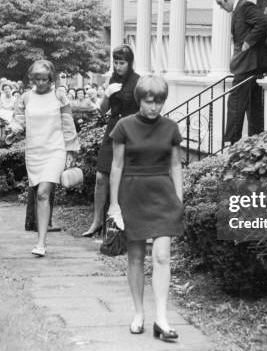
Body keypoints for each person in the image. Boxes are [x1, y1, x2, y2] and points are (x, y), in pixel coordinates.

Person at [108, 74, 183, 340]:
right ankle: (139, 313)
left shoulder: (171, 128)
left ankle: (161, 318)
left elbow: (175, 165)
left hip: (163, 195)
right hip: (132, 194)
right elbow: (116, 166)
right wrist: (114, 204)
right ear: (139, 99)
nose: (154, 107)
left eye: (159, 102)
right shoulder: (123, 126)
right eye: (149, 101)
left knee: (162, 256)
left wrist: (179, 199)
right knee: (136, 257)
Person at [9, 60, 79, 257]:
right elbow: (19, 120)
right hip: (34, 151)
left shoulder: (59, 96)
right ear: (32, 79)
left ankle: (41, 243)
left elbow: (68, 124)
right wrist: (14, 129)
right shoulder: (25, 97)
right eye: (37, 79)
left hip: (55, 150)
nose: (40, 83)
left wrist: (71, 151)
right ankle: (40, 238)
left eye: (45, 79)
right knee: (39, 193)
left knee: (43, 192)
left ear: (51, 79)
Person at [81, 45, 140, 237]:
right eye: (115, 62)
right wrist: (107, 93)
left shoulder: (138, 81)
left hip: (130, 129)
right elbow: (102, 110)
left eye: (122, 63)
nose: (118, 66)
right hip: (113, 128)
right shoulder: (113, 79)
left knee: (123, 179)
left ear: (130, 63)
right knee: (101, 177)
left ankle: (121, 224)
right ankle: (97, 221)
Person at [214, 0, 267, 144]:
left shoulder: (244, 7)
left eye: (220, 3)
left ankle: (232, 143)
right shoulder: (239, 10)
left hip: (248, 66)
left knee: (235, 103)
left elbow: (264, 22)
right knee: (253, 106)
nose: (221, 7)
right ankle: (255, 141)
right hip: (250, 66)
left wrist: (249, 41)